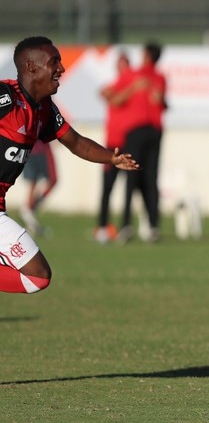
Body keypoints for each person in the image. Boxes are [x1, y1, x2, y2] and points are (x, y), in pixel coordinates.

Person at [0, 36, 139, 295]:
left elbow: (76, 143)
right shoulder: (5, 97)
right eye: (54, 62)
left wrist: (111, 158)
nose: (61, 69)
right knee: (37, 276)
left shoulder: (43, 109)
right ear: (31, 67)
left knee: (38, 277)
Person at [113, 41, 167, 243]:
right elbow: (115, 98)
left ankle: (147, 226)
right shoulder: (135, 76)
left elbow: (159, 101)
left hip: (149, 130)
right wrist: (134, 88)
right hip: (139, 131)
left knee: (148, 178)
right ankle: (132, 225)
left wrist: (150, 90)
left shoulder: (157, 77)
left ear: (147, 55)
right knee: (136, 177)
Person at [94, 51, 132, 244]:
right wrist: (130, 89)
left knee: (131, 188)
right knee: (107, 187)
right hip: (113, 145)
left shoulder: (133, 86)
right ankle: (102, 226)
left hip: (130, 144)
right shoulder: (120, 86)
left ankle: (126, 226)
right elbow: (107, 95)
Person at [20, 140, 58, 236]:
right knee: (35, 180)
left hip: (36, 146)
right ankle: (28, 211)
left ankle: (28, 211)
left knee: (43, 181)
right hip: (36, 146)